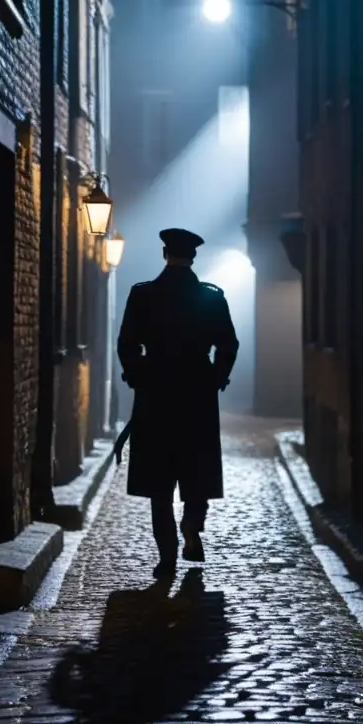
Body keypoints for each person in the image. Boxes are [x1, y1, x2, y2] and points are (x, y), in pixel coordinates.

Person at [116, 228, 239, 578]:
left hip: (155, 395)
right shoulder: (212, 297)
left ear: (164, 254)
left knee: (159, 481)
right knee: (197, 470)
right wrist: (216, 378)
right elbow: (229, 344)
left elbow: (127, 344)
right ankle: (192, 526)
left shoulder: (143, 295)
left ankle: (167, 556)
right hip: (197, 395)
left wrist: (139, 375)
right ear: (193, 258)